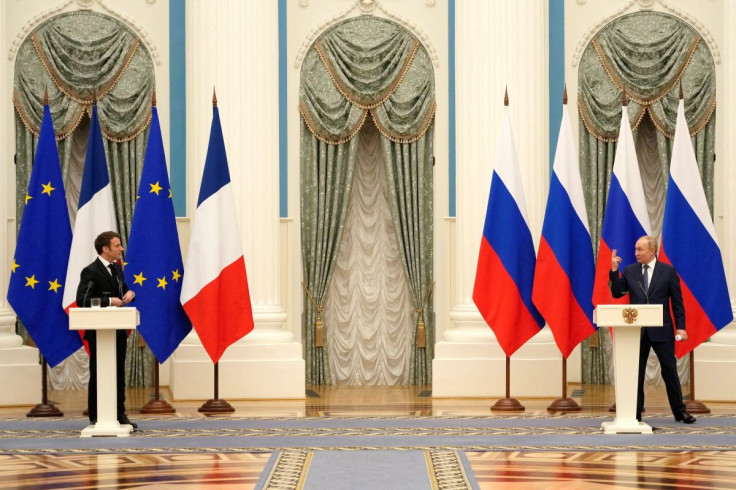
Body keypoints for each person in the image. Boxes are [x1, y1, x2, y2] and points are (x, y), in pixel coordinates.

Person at [609, 235, 696, 424]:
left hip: (662, 330)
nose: (636, 253)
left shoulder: (668, 271)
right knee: (636, 373)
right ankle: (635, 413)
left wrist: (681, 327)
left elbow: (678, 303)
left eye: (640, 249)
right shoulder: (630, 271)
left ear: (652, 250)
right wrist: (615, 271)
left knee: (669, 371)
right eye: (635, 249)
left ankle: (680, 412)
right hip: (637, 331)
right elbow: (617, 293)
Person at [76, 231, 137, 428]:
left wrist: (130, 293)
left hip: (117, 330)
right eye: (117, 245)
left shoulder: (117, 269)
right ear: (105, 249)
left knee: (118, 372)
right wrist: (109, 301)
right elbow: (82, 300)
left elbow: (123, 290)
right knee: (99, 373)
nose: (121, 249)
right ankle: (96, 415)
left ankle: (120, 414)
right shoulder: (91, 271)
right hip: (99, 332)